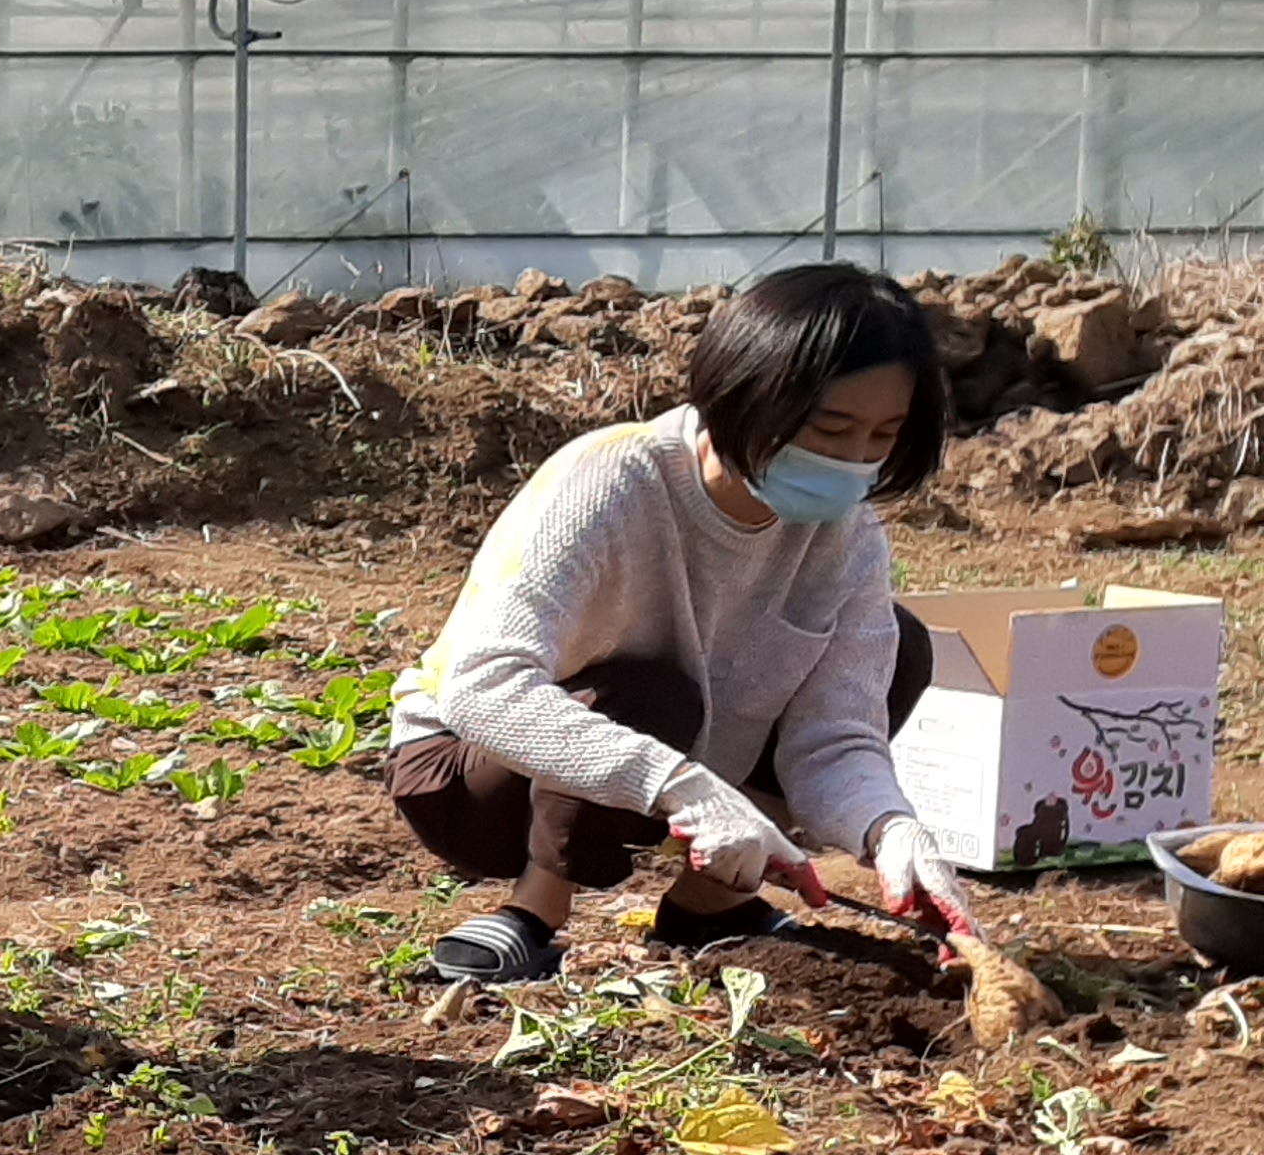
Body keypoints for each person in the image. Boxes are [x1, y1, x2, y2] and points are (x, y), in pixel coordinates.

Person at [389, 260, 979, 986]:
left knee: (902, 646)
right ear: (751, 393)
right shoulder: (611, 481)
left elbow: (834, 736)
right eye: (831, 428)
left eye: (883, 434)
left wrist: (889, 829)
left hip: (677, 763)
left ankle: (712, 908)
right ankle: (533, 914)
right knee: (648, 690)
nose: (854, 461)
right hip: (476, 778)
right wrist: (681, 786)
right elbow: (481, 690)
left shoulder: (847, 538)